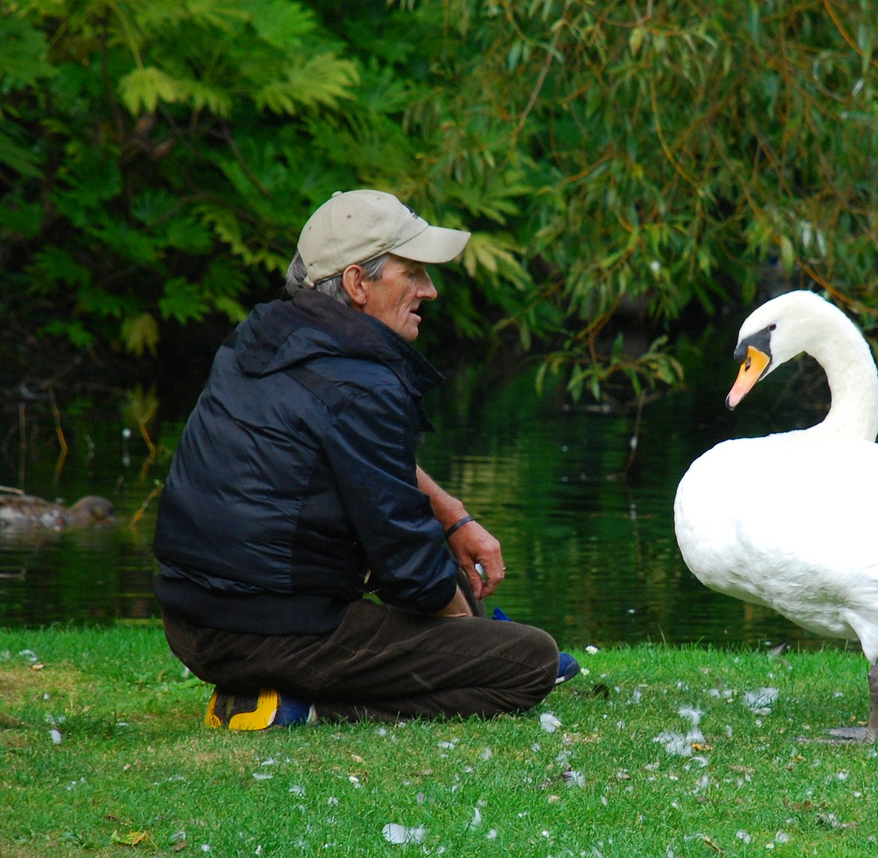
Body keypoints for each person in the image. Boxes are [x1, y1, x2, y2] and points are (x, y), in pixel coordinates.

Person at [151, 189, 573, 729]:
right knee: (528, 662)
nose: (430, 290)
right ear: (356, 284)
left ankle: (279, 690)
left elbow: (359, 458)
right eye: (413, 273)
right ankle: (299, 709)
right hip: (264, 631)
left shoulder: (259, 339)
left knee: (439, 562)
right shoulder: (362, 383)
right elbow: (413, 572)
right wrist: (476, 642)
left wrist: (451, 513)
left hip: (189, 619)